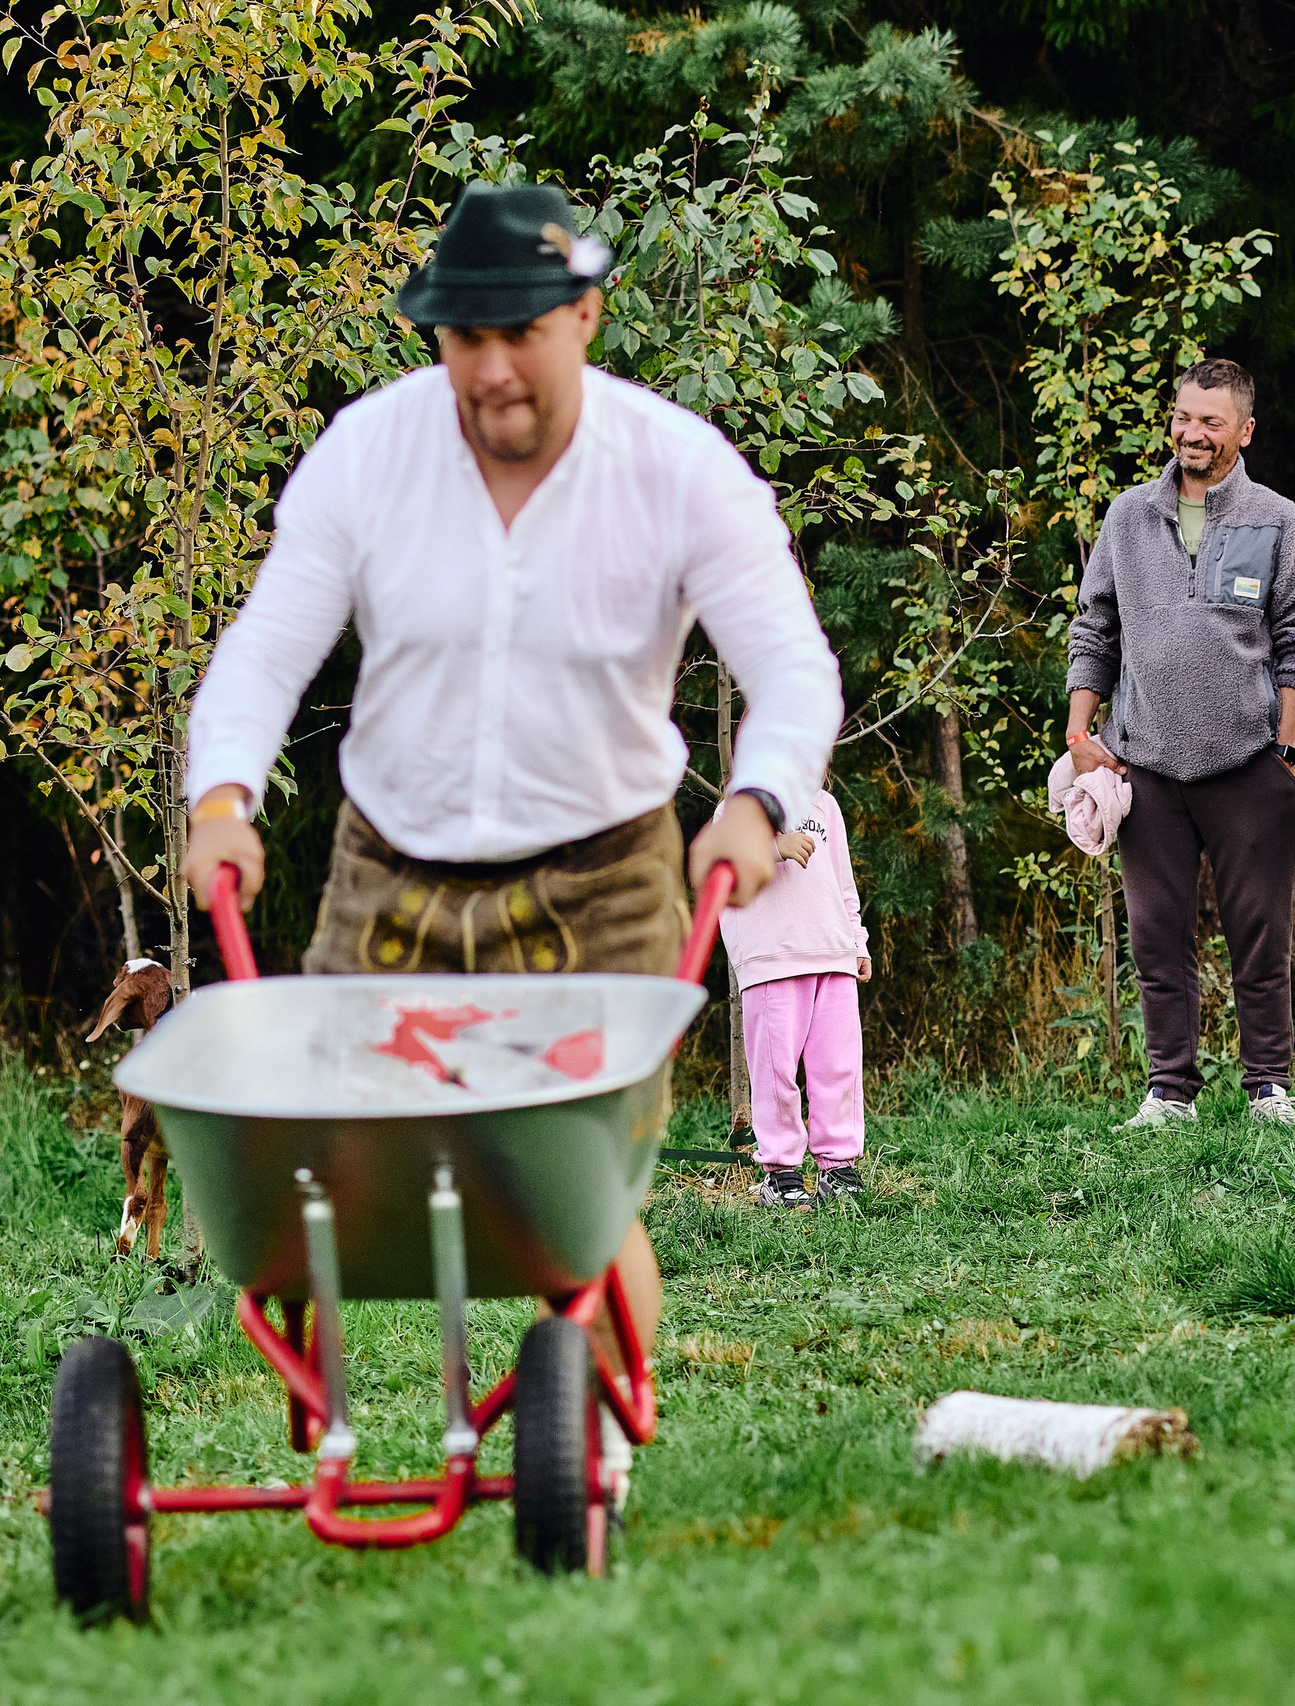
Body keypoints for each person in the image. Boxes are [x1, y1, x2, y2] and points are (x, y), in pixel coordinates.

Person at [180, 181, 842, 1494]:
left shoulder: (677, 468)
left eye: (522, 333)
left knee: (576, 1193)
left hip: (604, 875)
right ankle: (342, 1414)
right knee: (335, 1175)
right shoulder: (368, 456)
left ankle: (591, 1444)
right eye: (462, 338)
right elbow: (264, 649)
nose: (490, 370)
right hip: (391, 867)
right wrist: (221, 799)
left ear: (585, 315)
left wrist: (761, 801)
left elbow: (797, 673)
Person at [1063, 358, 1295, 1129]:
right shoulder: (1127, 518)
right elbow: (1095, 629)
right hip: (1143, 764)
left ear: (1245, 431)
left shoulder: (1278, 521)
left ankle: (1269, 1088)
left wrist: (1283, 748)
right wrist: (1081, 733)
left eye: (1211, 421)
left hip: (1251, 762)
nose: (1192, 433)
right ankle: (1169, 1093)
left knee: (1260, 935)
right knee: (1157, 937)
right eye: (1183, 417)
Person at [721, 786, 872, 1207]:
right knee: (775, 1071)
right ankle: (780, 1172)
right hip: (773, 957)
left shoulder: (825, 805)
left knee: (837, 1067)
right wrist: (773, 846)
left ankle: (838, 1168)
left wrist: (856, 942)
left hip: (833, 954)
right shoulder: (739, 804)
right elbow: (723, 861)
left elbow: (844, 883)